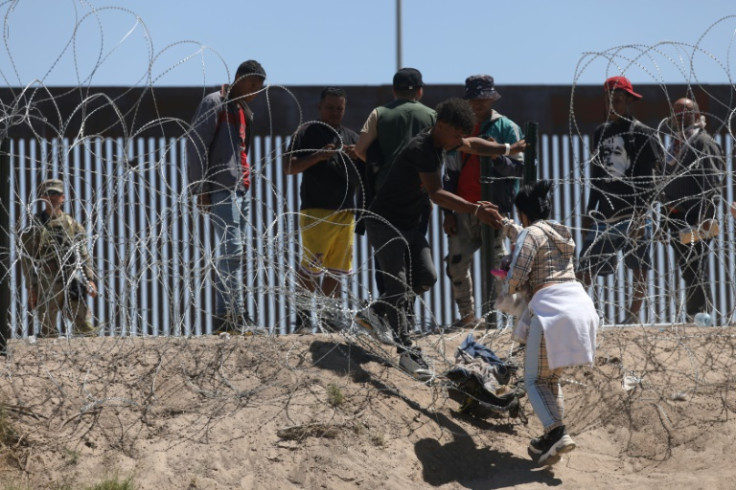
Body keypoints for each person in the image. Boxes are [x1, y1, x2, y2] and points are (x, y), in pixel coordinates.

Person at [355, 98, 525, 380]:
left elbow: (473, 144)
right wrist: (476, 208)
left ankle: (374, 312)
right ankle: (407, 351)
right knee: (397, 285)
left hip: (410, 225)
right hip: (385, 222)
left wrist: (507, 148)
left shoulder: (445, 141)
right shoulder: (421, 148)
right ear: (442, 126)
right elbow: (436, 193)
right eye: (456, 134)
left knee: (426, 278)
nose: (459, 141)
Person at [498, 180, 598, 467]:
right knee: (550, 379)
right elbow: (534, 241)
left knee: (533, 380)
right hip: (580, 307)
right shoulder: (561, 233)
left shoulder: (529, 232)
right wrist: (506, 225)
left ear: (524, 214)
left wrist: (506, 272)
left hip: (552, 311)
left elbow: (516, 279)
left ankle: (556, 432)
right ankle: (551, 438)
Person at [186, 59, 267, 335]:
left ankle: (230, 313)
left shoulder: (244, 111)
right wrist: (199, 188)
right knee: (232, 249)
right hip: (220, 185)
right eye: (252, 85)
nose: (254, 92)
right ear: (238, 79)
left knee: (236, 252)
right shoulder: (215, 103)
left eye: (259, 88)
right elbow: (197, 144)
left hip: (240, 187)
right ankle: (233, 313)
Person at [578, 76, 662, 323]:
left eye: (617, 100)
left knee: (638, 266)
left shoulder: (642, 133)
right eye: (608, 100)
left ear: (628, 102)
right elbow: (596, 175)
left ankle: (632, 316)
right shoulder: (600, 132)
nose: (612, 105)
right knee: (587, 265)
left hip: (633, 212)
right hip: (604, 213)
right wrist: (589, 210)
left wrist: (641, 214)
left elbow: (650, 180)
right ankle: (584, 315)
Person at [443, 75, 524, 329]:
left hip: (494, 210)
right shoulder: (461, 129)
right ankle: (468, 317)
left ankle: (513, 321)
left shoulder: (506, 128)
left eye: (483, 98)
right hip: (463, 208)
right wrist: (448, 211)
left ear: (491, 98)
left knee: (500, 269)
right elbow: (451, 173)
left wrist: (497, 155)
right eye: (473, 98)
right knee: (457, 265)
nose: (478, 103)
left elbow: (519, 169)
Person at [285, 87, 361, 333]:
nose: (335, 113)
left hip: (346, 211)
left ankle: (330, 319)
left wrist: (357, 156)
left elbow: (365, 172)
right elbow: (289, 166)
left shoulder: (351, 137)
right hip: (316, 211)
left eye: (339, 108)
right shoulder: (307, 132)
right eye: (330, 108)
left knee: (336, 270)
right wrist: (318, 156)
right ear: (320, 108)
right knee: (311, 266)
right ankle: (304, 319)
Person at [660, 97, 724, 322]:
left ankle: (700, 316)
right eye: (676, 112)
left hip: (697, 218)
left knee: (696, 267)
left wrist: (706, 219)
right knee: (688, 269)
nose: (679, 117)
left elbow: (712, 183)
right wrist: (663, 220)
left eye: (685, 112)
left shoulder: (701, 142)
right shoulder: (675, 144)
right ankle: (695, 316)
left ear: (696, 116)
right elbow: (666, 187)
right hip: (676, 218)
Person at [19, 179, 98, 337]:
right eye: (48, 193)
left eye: (56, 194)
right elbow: (26, 259)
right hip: (47, 280)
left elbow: (83, 254)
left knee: (85, 326)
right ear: (42, 197)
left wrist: (90, 278)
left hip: (71, 278)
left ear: (63, 197)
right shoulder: (35, 225)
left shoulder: (72, 225)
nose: (52, 197)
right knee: (47, 329)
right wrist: (32, 287)